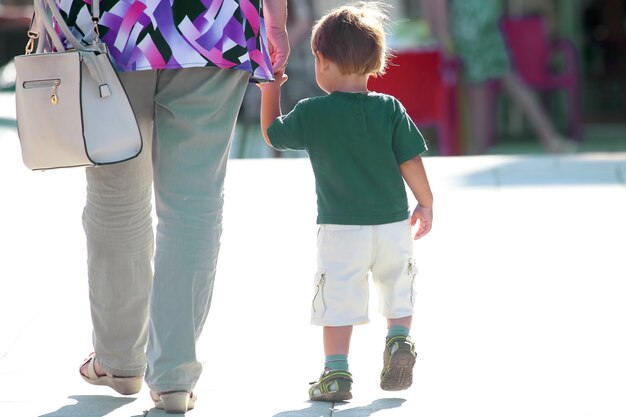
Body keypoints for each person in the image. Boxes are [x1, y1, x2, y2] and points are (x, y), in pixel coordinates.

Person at [52, 0, 288, 413]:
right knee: (194, 201)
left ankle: (119, 360)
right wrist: (277, 19)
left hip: (108, 22)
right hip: (214, 20)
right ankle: (174, 376)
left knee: (116, 196)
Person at [258, 2, 433, 402]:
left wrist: (271, 88)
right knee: (397, 287)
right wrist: (425, 203)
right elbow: (410, 160)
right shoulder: (389, 108)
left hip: (340, 230)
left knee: (338, 298)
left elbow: (272, 134)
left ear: (321, 61)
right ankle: (398, 340)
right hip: (392, 226)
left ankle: (336, 374)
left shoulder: (312, 113)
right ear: (375, 62)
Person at [422, 0, 577, 154]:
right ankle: (549, 137)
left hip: (471, 22)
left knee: (483, 84)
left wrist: (441, 36)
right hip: (483, 15)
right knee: (501, 79)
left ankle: (480, 150)